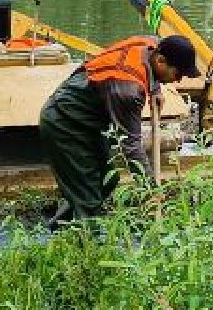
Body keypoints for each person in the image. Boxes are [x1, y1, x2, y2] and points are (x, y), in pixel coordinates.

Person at [38, 33, 199, 222]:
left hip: (88, 119)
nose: (178, 80)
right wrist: (150, 190)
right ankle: (87, 244)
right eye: (177, 74)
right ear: (161, 60)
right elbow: (131, 147)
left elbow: (152, 64)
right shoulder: (128, 91)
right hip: (64, 122)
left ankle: (61, 227)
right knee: (88, 195)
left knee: (108, 180)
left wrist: (155, 89)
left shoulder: (151, 45)